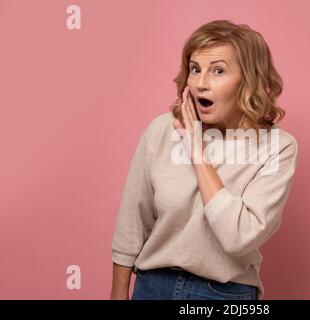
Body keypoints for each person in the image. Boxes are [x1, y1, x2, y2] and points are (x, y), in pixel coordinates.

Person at [110, 19, 299, 300]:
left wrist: (196, 150)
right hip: (152, 286)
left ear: (248, 80)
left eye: (218, 71)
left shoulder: (277, 147)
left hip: (223, 294)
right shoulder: (162, 130)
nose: (200, 83)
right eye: (195, 69)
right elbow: (132, 221)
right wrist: (118, 293)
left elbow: (239, 237)